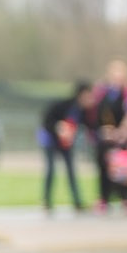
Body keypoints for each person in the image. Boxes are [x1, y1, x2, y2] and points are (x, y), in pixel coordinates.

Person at [85, 59, 127, 213]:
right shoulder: (102, 92)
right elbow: (93, 113)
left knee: (123, 169)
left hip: (122, 138)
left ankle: (125, 198)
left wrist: (122, 132)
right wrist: (102, 131)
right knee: (103, 168)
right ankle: (104, 198)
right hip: (104, 139)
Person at [39, 80, 91, 213]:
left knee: (71, 171)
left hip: (66, 143)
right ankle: (47, 201)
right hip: (51, 139)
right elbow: (47, 120)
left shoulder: (83, 111)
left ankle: (77, 201)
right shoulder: (64, 105)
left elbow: (87, 126)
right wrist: (58, 127)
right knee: (51, 170)